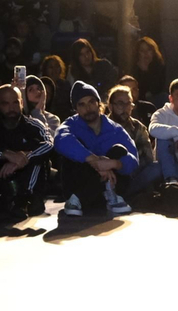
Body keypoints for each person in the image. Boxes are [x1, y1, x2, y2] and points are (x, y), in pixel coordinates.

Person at [54, 81, 138, 216]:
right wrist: (93, 160)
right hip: (79, 185)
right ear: (76, 109)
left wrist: (113, 163)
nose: (88, 108)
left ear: (99, 104)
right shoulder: (71, 125)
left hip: (111, 187)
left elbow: (134, 160)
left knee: (119, 150)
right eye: (82, 104)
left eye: (91, 102)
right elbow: (60, 140)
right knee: (72, 148)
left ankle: (109, 195)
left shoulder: (115, 129)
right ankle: (76, 199)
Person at [0, 83, 55, 220]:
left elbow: (49, 143)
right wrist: (5, 154)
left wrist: (23, 158)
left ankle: (25, 199)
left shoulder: (34, 125)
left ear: (22, 103)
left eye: (15, 103)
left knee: (39, 156)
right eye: (5, 104)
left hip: (27, 179)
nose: (11, 108)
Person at [106, 85, 160, 198]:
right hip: (110, 173)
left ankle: (125, 195)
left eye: (128, 104)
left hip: (134, 174)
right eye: (120, 103)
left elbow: (148, 158)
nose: (125, 108)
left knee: (156, 167)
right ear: (110, 106)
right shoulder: (102, 125)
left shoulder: (138, 127)